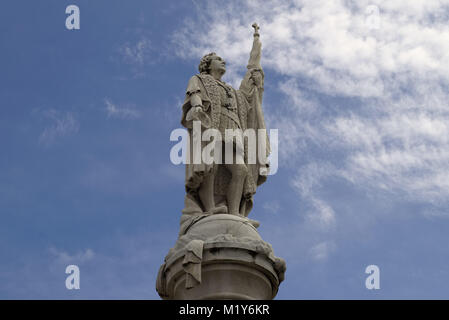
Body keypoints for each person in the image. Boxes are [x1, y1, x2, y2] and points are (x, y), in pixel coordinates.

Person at [180, 24, 269, 224]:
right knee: (209, 166)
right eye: (219, 59)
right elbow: (194, 94)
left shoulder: (232, 91)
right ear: (208, 64)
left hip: (233, 131)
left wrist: (255, 75)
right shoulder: (200, 79)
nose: (224, 61)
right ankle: (209, 208)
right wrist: (197, 108)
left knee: (241, 171)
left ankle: (235, 213)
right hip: (211, 126)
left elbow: (247, 96)